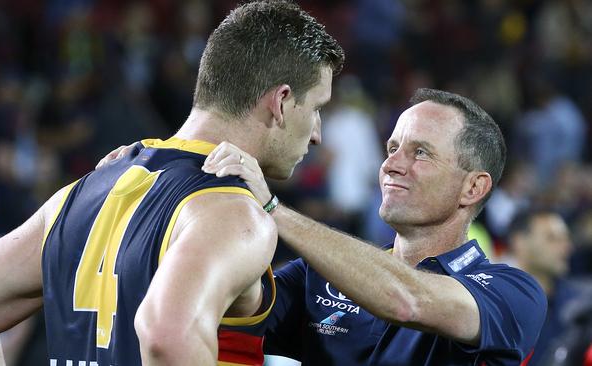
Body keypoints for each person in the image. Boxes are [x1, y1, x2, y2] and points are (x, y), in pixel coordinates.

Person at [0, 2, 344, 365]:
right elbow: (167, 338)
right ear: (281, 100)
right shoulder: (234, 213)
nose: (317, 135)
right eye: (316, 109)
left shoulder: (82, 192)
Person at [201, 88, 548, 365]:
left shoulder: (514, 293)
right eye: (392, 148)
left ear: (473, 187)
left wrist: (274, 210)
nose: (391, 165)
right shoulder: (318, 275)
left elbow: (407, 300)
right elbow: (234, 304)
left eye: (421, 153)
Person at [507, 209, 589, 365]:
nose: (567, 247)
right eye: (552, 238)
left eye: (566, 238)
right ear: (520, 242)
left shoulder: (581, 305)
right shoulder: (495, 302)